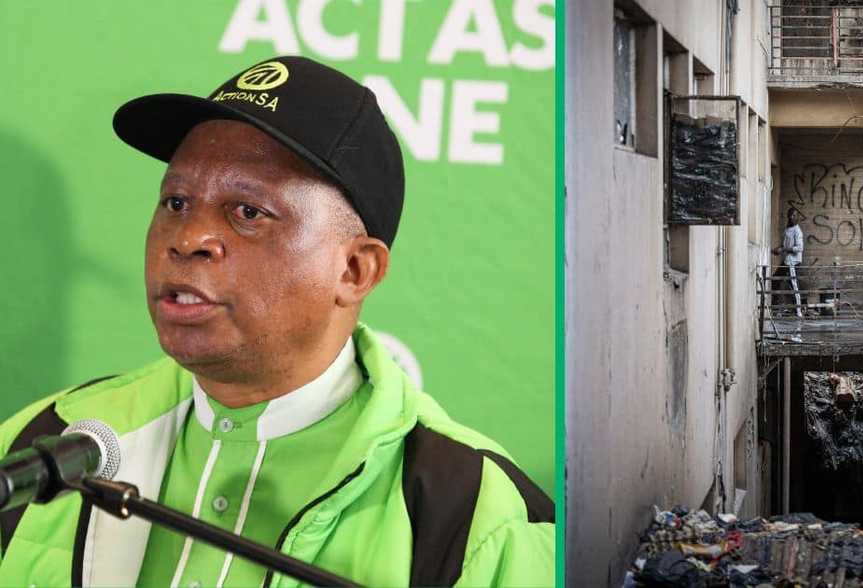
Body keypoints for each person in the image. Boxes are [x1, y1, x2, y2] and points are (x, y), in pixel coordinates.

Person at [0, 56, 554, 587]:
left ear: (356, 270)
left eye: (248, 212)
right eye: (175, 202)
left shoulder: (477, 517)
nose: (188, 239)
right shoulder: (46, 440)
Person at [771, 208, 804, 318]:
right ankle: (776, 307)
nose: (792, 217)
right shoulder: (787, 229)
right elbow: (784, 245)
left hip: (793, 263)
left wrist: (784, 250)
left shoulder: (797, 231)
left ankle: (798, 312)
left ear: (798, 217)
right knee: (775, 280)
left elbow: (799, 248)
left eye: (794, 215)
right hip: (786, 261)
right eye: (790, 215)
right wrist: (777, 249)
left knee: (794, 286)